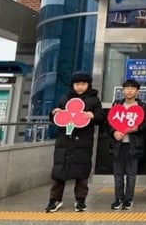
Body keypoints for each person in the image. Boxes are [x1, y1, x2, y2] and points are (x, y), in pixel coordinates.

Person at [45, 71, 104, 213]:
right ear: (73, 85)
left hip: (83, 142)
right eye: (77, 84)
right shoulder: (65, 98)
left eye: (83, 84)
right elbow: (55, 117)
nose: (80, 87)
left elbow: (101, 118)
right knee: (59, 172)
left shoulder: (94, 100)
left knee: (82, 173)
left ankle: (80, 201)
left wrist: (93, 115)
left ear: (88, 85)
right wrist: (54, 113)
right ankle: (55, 200)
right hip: (64, 141)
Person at [108, 79, 146, 210]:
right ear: (123, 91)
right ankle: (118, 198)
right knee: (118, 174)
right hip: (118, 144)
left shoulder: (142, 106)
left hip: (134, 144)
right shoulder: (116, 105)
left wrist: (137, 128)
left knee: (131, 174)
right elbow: (109, 122)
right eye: (127, 88)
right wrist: (114, 132)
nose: (129, 90)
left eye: (133, 88)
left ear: (137, 91)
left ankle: (128, 199)